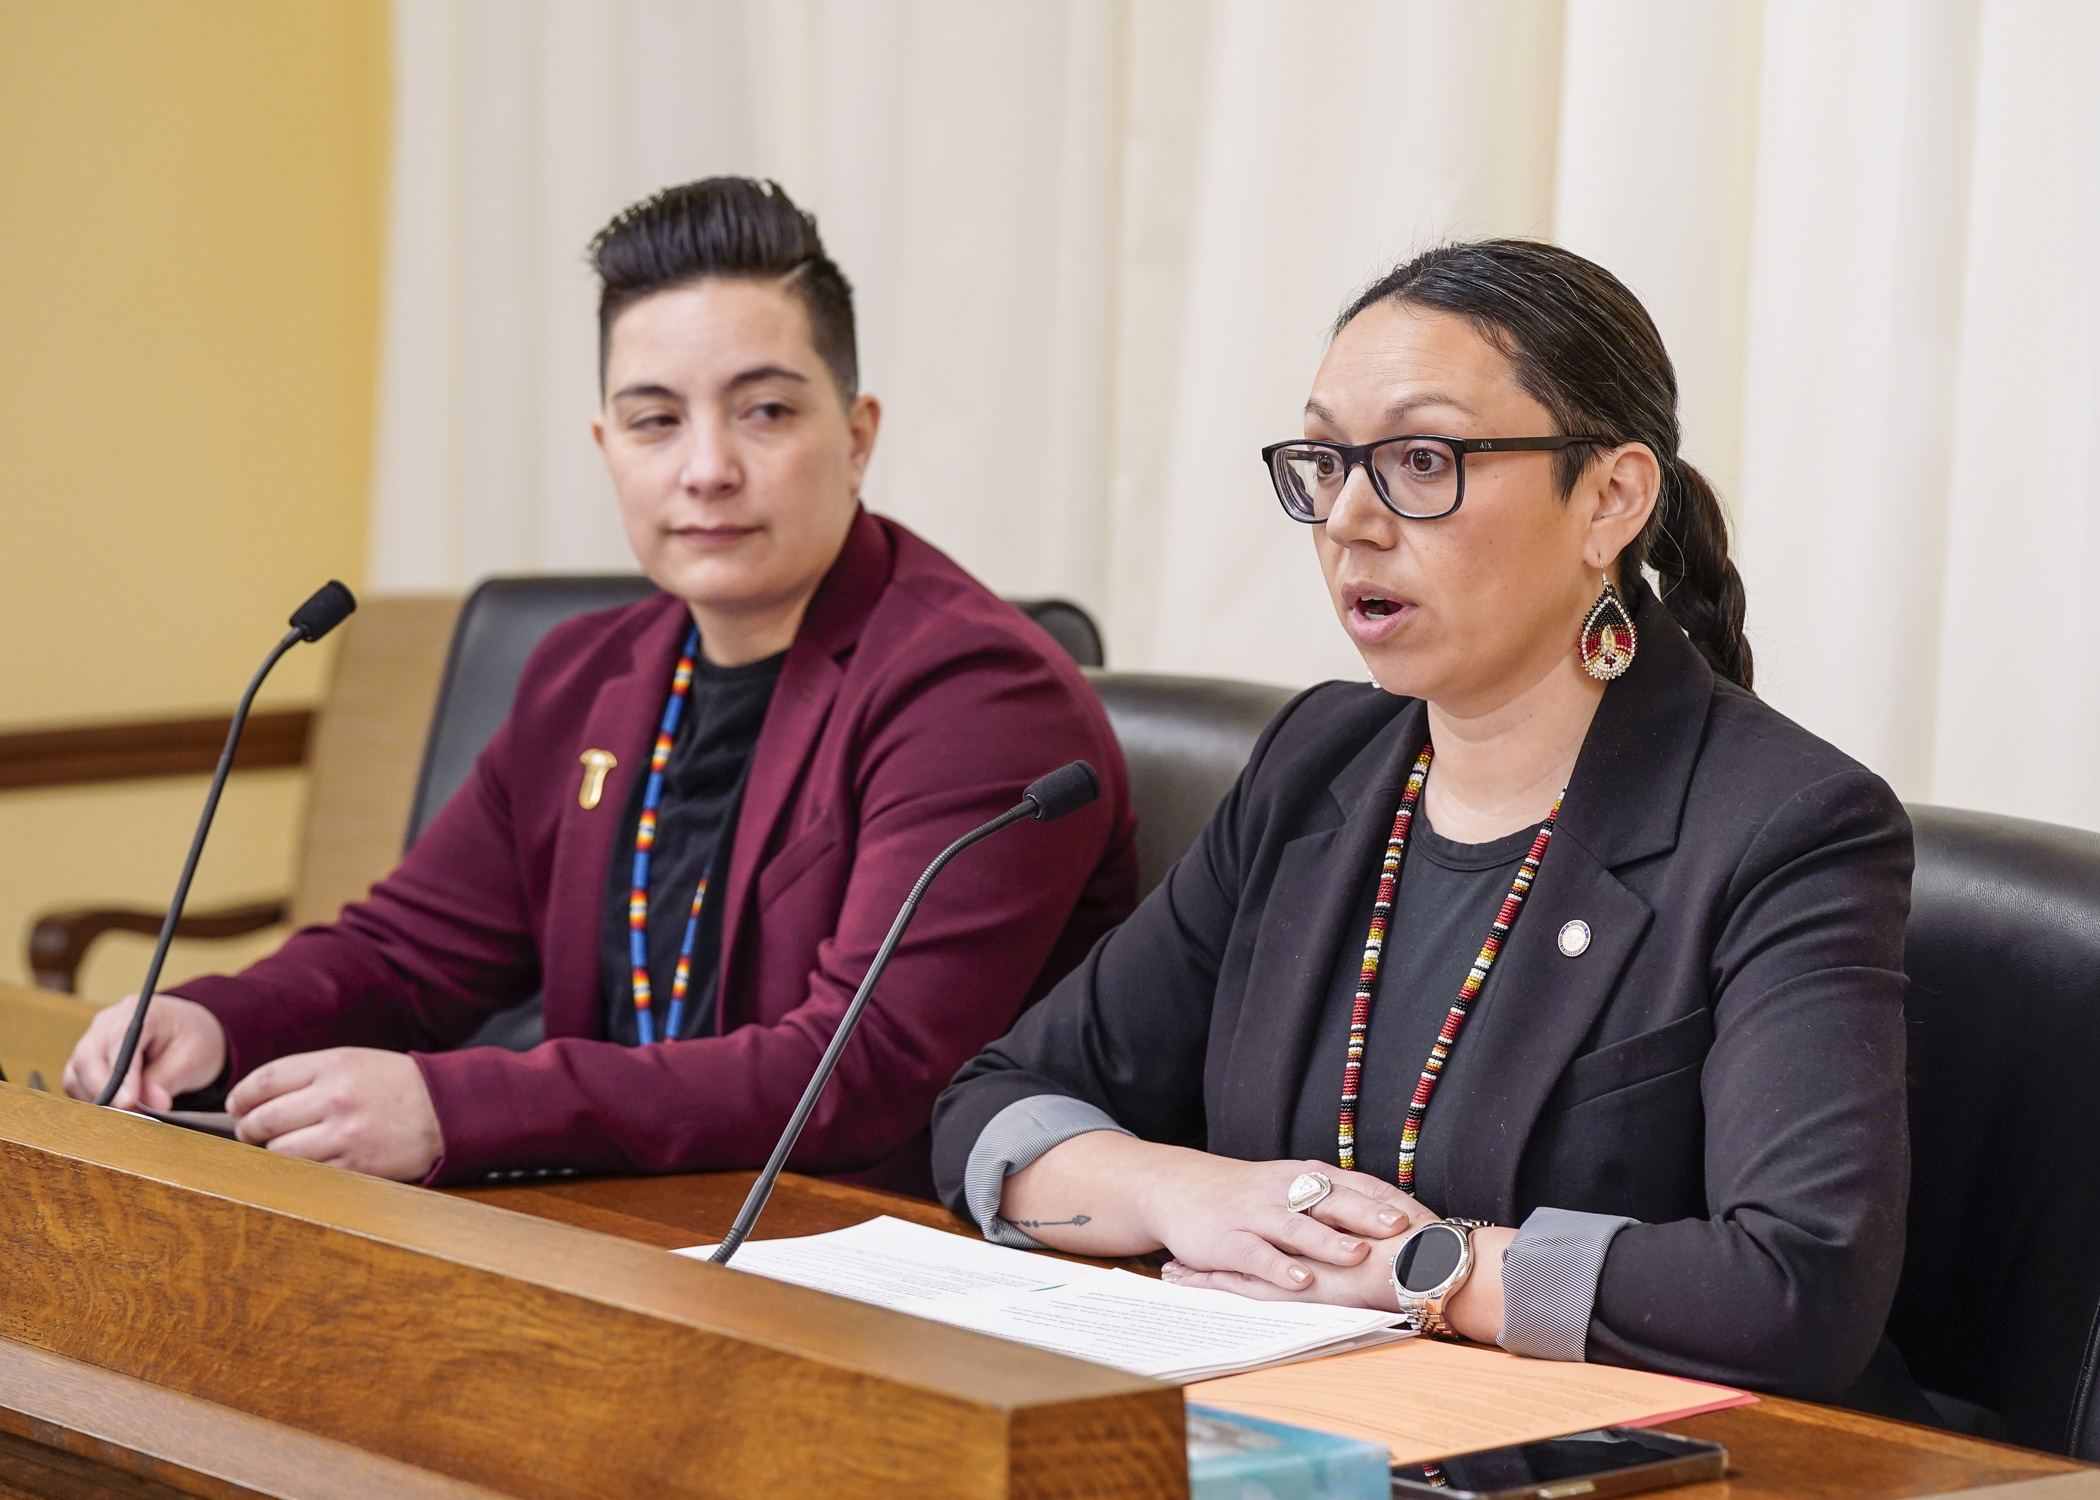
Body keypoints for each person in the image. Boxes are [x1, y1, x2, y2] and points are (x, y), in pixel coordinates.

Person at [932, 240, 1925, 1415]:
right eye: (1327, 461)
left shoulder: (1785, 828)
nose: (1350, 519)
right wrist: (1178, 1194)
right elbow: (992, 1107)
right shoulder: (1319, 767)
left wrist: (1420, 1270)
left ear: (1611, 498)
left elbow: (1797, 1287)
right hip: (1303, 1434)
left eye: (1420, 460)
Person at [66, 177, 1137, 1195]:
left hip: (859, 1259)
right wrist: (217, 1020)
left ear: (856, 440)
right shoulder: (586, 674)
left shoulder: (978, 693)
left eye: (764, 411)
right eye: (655, 419)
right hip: (615, 1225)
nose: (706, 467)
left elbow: (859, 1076)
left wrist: (458, 1108)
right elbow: (411, 954)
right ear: (607, 446)